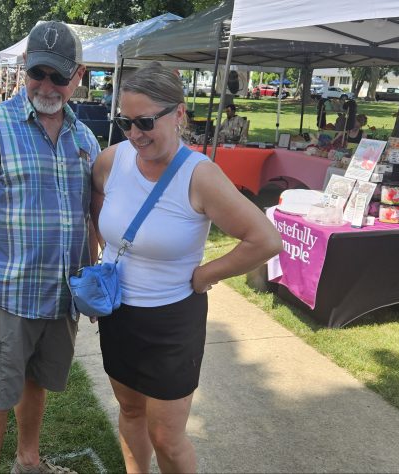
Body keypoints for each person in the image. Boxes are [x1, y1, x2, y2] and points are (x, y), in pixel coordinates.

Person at [91, 62, 282, 473]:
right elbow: (97, 199)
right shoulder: (111, 160)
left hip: (171, 321)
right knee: (129, 411)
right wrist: (105, 253)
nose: (135, 134)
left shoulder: (201, 176)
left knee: (168, 438)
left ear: (178, 114)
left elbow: (265, 240)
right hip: (118, 313)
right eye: (126, 122)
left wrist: (206, 274)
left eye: (144, 122)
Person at [0, 20, 100, 474]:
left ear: (78, 75)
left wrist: (89, 277)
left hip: (59, 298)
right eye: (39, 72)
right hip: (6, 299)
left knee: (37, 382)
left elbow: (85, 218)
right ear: (25, 66)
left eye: (58, 76)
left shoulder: (84, 138)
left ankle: (28, 461)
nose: (46, 85)